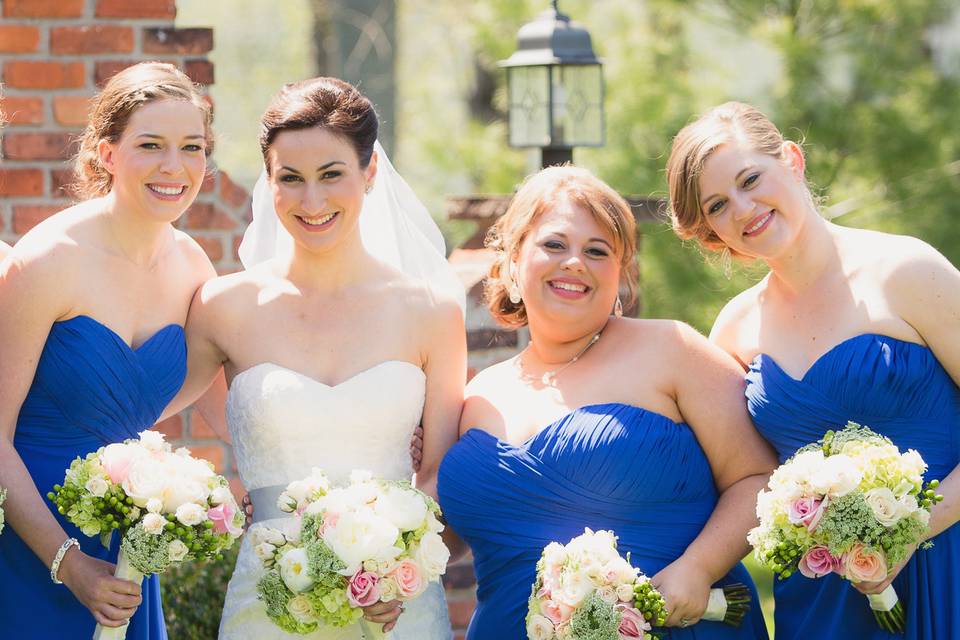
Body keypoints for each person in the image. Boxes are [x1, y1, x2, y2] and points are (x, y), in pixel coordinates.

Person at [160, 77, 465, 639]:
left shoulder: (431, 311)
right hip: (269, 603)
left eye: (332, 175)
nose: (312, 201)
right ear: (268, 182)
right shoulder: (224, 307)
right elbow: (146, 407)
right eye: (291, 180)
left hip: (394, 607)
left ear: (369, 174)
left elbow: (438, 472)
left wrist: (389, 571)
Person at [437, 165, 774, 639]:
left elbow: (758, 476)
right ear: (513, 262)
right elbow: (447, 538)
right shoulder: (476, 395)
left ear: (620, 276)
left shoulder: (673, 350)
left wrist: (698, 569)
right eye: (554, 245)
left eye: (597, 251)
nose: (575, 262)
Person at [666, 101, 960, 639]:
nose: (743, 208)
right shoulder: (734, 330)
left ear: (793, 159)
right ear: (712, 230)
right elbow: (726, 482)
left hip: (947, 564)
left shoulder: (906, 272)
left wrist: (911, 530)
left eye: (751, 178)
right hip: (821, 602)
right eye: (718, 205)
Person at [0, 62, 216, 639]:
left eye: (192, 147)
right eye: (151, 145)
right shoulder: (47, 261)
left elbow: (213, 394)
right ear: (106, 153)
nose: (175, 167)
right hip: (32, 539)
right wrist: (67, 564)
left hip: (125, 544)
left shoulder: (194, 267)